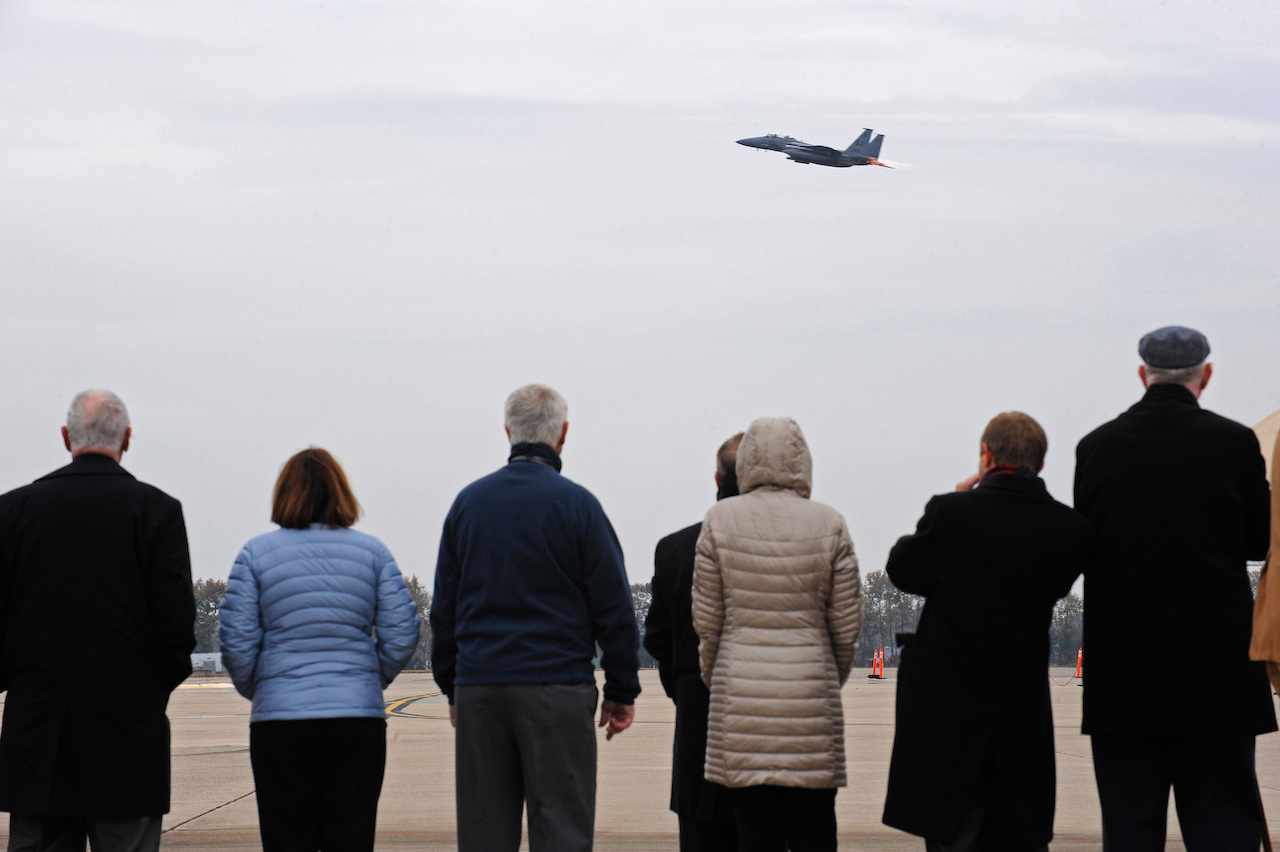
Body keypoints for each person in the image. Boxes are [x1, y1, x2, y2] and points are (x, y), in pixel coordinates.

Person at [1075, 326, 1274, 850]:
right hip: (1217, 676)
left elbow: (1087, 544)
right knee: (1224, 829)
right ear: (1205, 375)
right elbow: (1259, 539)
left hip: (1124, 679)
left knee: (1132, 829)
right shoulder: (1235, 443)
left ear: (1143, 375)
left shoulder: (1096, 448)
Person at [429, 383, 640, 852]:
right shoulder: (580, 506)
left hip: (481, 688)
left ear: (508, 432)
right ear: (563, 434)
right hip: (557, 689)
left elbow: (443, 609)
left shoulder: (468, 505)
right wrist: (621, 689)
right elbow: (614, 608)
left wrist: (452, 687)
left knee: (483, 836)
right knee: (563, 832)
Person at [881, 412, 1091, 851]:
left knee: (954, 832)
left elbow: (903, 569)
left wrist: (957, 498)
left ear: (986, 455)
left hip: (950, 715)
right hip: (1020, 711)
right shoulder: (1068, 528)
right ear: (1041, 462)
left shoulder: (953, 513)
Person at [0, 390, 196, 852]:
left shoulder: (12, 512)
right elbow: (176, 631)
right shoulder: (157, 513)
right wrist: (144, 694)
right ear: (126, 438)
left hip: (38, 737)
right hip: (128, 736)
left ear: (66, 436)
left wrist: (25, 685)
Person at [219, 447, 419, 852]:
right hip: (356, 718)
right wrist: (369, 678)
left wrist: (263, 688)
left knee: (285, 839)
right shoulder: (374, 552)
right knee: (351, 836)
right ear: (341, 493)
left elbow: (236, 641)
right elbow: (402, 633)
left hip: (280, 722)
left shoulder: (254, 554)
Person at [692, 416, 862, 852]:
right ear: (802, 461)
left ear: (747, 461)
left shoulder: (718, 521)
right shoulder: (831, 523)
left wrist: (720, 677)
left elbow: (707, 624)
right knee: (815, 835)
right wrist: (825, 675)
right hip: (810, 704)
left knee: (754, 836)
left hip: (742, 705)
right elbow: (845, 629)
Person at [644, 433, 743, 852]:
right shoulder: (795, 542)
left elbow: (658, 640)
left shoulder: (676, 549)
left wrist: (686, 689)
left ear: (717, 476)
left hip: (698, 723)